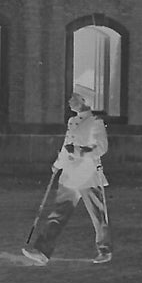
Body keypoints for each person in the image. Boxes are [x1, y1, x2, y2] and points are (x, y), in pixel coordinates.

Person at [22, 87, 112, 265]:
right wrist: (58, 164)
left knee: (99, 216)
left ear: (84, 101)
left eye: (74, 98)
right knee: (58, 214)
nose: (70, 101)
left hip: (88, 175)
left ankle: (105, 250)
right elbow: (66, 146)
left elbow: (101, 147)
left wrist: (80, 151)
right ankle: (42, 251)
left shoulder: (95, 122)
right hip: (70, 175)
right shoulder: (72, 121)